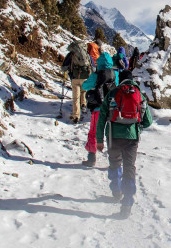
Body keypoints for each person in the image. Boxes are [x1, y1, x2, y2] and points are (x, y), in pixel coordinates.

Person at [96, 70, 152, 218]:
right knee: (129, 168)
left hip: (113, 136)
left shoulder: (113, 93)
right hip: (132, 138)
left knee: (114, 163)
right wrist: (136, 124)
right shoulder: (139, 95)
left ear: (120, 80)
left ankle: (116, 191)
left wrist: (99, 140)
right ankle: (127, 204)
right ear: (132, 80)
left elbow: (101, 117)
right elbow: (148, 121)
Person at [80, 52, 119, 167]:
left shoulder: (96, 75)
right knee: (112, 133)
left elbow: (84, 86)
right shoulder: (115, 74)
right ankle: (114, 161)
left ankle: (91, 158)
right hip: (111, 108)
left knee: (94, 132)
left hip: (98, 108)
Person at [61, 40, 93, 123]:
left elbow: (64, 66)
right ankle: (83, 104)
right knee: (83, 92)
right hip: (85, 77)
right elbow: (92, 65)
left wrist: (66, 71)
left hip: (75, 78)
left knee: (76, 98)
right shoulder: (86, 54)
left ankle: (76, 116)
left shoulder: (71, 54)